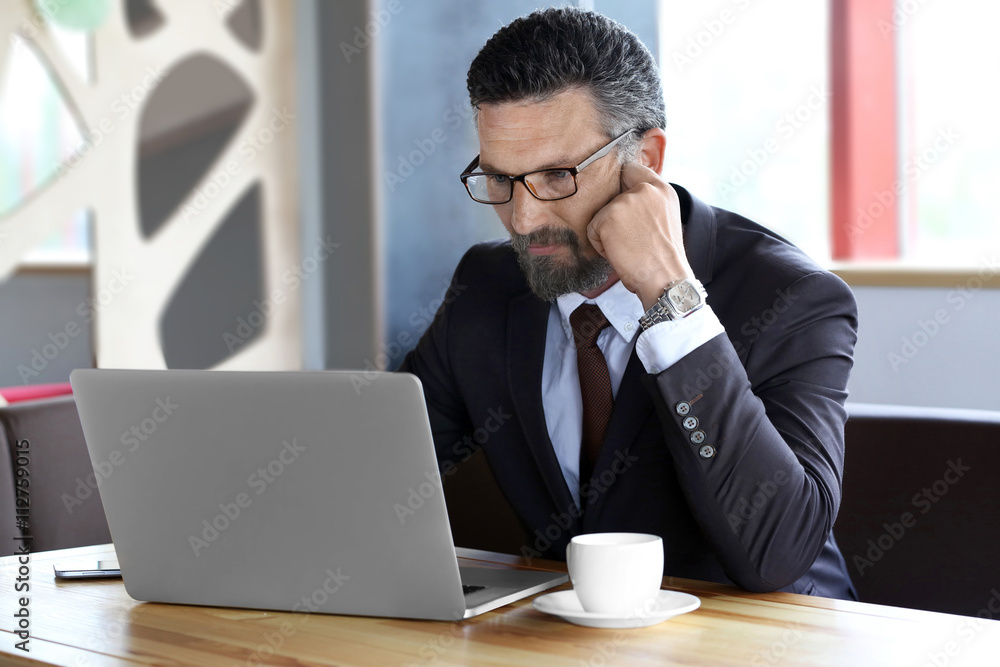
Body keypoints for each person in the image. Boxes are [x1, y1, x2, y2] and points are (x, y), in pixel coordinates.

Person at [399, 7, 858, 599]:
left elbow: (778, 555)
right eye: (500, 180)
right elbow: (382, 472)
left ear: (647, 160)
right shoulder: (486, 287)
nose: (524, 217)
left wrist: (673, 301)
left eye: (557, 176)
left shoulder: (793, 298)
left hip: (772, 641)